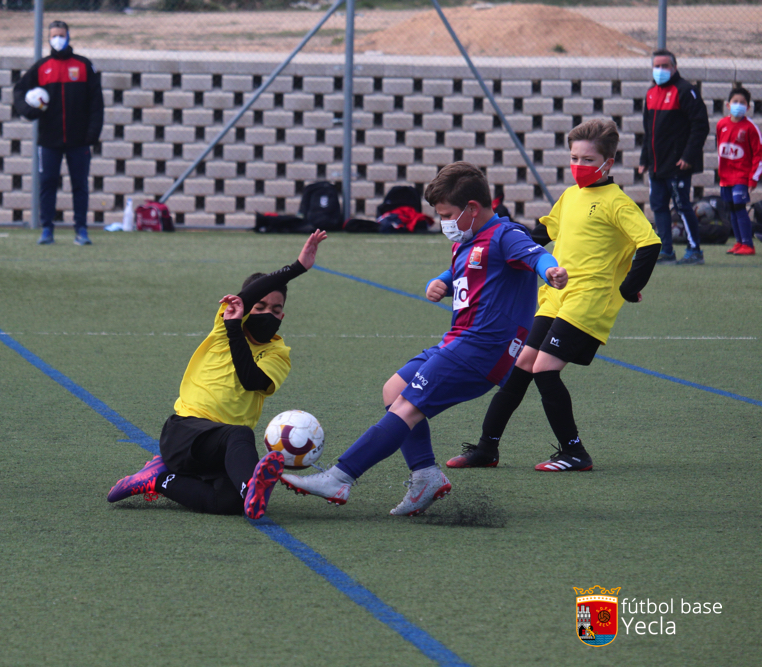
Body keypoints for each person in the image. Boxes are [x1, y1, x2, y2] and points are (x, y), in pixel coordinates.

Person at [280, 163, 567, 516]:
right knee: (393, 391)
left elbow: (536, 255)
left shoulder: (506, 234)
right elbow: (469, 269)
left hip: (483, 349)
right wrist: (443, 281)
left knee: (407, 407)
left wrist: (551, 270)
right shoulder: (468, 238)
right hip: (457, 341)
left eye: (446, 214)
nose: (443, 221)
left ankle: (340, 477)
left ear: (472, 209)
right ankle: (426, 476)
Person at [449, 119, 661, 472]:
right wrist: (507, 243)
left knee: (545, 369)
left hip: (588, 300)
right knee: (520, 368)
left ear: (608, 163)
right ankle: (487, 449)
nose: (579, 165)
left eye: (588, 160)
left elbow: (649, 243)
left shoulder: (617, 203)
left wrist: (628, 287)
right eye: (574, 157)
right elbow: (541, 235)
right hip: (555, 296)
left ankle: (575, 452)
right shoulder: (571, 195)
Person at [107, 231, 328, 519]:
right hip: (184, 433)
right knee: (239, 434)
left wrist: (237, 330)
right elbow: (245, 299)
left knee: (229, 503)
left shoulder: (278, 353)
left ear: (283, 316)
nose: (268, 313)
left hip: (220, 451)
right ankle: (252, 486)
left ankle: (157, 479)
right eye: (259, 307)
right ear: (247, 308)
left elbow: (251, 380)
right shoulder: (224, 327)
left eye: (276, 309)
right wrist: (296, 268)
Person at [13, 20, 105, 246]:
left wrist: (92, 134)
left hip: (79, 140)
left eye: (61, 35)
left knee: (80, 185)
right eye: (54, 35)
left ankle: (81, 230)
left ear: (68, 36)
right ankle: (47, 230)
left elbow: (97, 104)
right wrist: (30, 112)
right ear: (49, 39)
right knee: (47, 183)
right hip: (49, 140)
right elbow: (19, 91)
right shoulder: (42, 67)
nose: (58, 39)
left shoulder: (84, 66)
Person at [638, 49, 709, 265]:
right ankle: (666, 250)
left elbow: (701, 126)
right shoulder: (651, 93)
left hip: (678, 163)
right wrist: (644, 160)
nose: (660, 70)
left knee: (681, 206)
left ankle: (694, 250)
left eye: (665, 66)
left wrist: (688, 156)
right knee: (658, 206)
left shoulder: (686, 91)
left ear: (674, 67)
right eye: (657, 66)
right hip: (656, 165)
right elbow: (648, 131)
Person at [716, 87, 761, 256]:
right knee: (730, 208)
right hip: (725, 177)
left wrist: (753, 179)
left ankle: (748, 244)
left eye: (742, 103)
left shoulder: (750, 128)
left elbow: (759, 154)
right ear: (728, 105)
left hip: (742, 176)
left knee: (739, 207)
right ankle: (739, 242)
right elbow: (721, 149)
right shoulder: (721, 124)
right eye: (735, 102)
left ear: (748, 107)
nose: (738, 105)